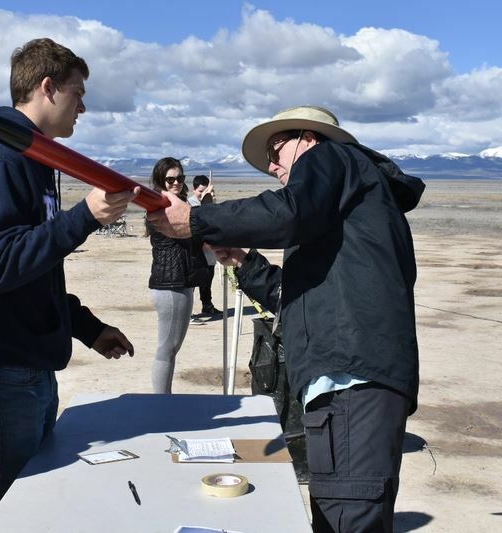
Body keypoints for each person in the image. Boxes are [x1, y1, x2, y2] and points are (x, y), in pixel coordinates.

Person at [148, 105, 423, 532]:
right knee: (337, 511)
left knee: (346, 517)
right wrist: (244, 263)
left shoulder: (334, 158)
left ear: (309, 139)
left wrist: (196, 220)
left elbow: (288, 212)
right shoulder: (341, 209)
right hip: (346, 383)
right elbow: (301, 296)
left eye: (278, 149)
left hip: (352, 381)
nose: (273, 165)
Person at [0, 37, 138, 533]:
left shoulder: (31, 161)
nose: (84, 106)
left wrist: (87, 328)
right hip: (0, 372)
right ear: (48, 88)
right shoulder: (0, 161)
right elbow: (0, 265)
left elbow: (36, 274)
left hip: (25, 369)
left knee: (27, 505)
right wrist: (85, 217)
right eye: (77, 93)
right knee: (5, 509)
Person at [145, 158, 200, 392]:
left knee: (171, 346)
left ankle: (164, 397)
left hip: (178, 280)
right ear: (160, 180)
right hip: (171, 283)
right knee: (167, 346)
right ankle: (161, 401)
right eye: (170, 179)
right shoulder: (162, 206)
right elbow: (192, 234)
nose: (176, 182)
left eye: (180, 178)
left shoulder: (176, 203)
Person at [187, 175, 220, 318]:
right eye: (200, 191)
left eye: (205, 191)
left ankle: (207, 306)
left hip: (209, 253)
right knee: (192, 284)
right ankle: (187, 311)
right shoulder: (189, 205)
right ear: (194, 190)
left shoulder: (211, 203)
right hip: (196, 252)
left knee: (207, 282)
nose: (203, 194)